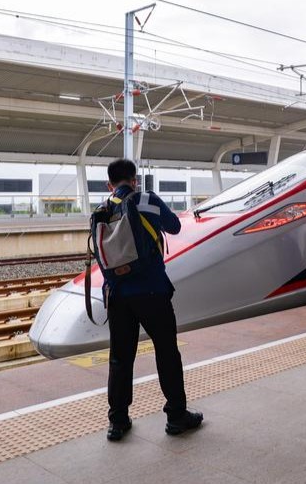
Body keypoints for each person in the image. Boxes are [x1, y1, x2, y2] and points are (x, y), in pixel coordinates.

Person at [102, 159, 202, 442]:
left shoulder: (103, 208)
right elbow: (174, 227)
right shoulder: (147, 199)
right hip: (152, 291)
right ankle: (176, 416)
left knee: (120, 358)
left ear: (110, 184)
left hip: (118, 295)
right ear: (134, 180)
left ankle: (118, 422)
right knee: (166, 351)